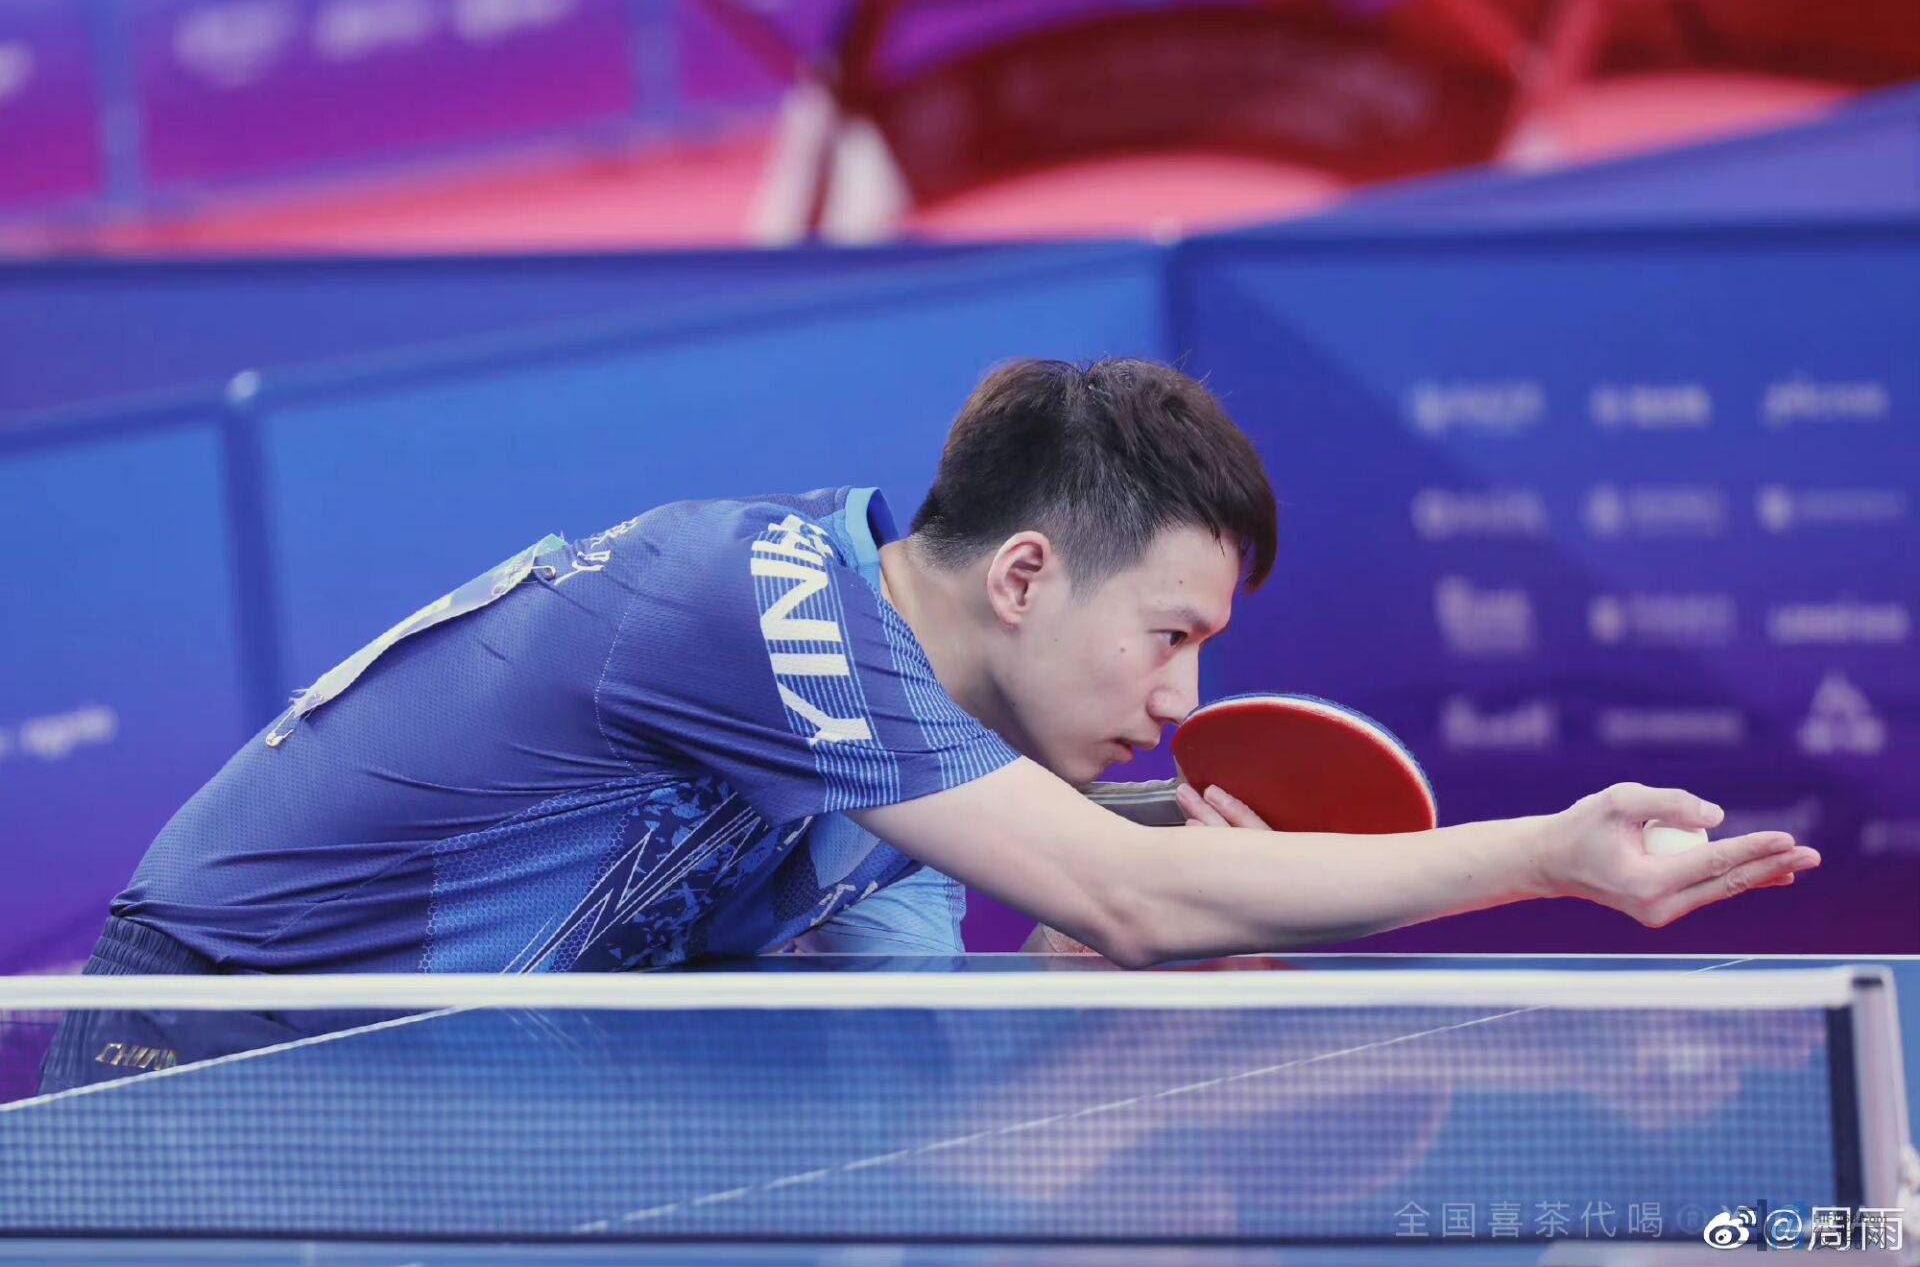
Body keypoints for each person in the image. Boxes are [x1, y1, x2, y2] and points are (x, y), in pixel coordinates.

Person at [77, 358, 1817, 983]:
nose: (1182, 702)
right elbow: (1138, 889)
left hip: (439, 1093)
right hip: (219, 1040)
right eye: (1172, 635)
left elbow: (897, 1063)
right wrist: (1551, 854)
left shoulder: (902, 805)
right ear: (1026, 574)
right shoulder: (752, 598)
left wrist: (1063, 970)